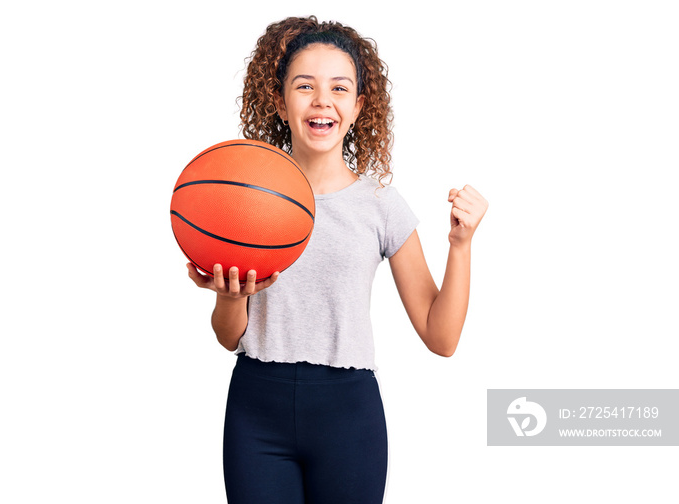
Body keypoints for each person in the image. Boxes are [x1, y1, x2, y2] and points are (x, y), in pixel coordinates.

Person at [186, 15, 488, 504]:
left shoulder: (380, 205)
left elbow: (442, 337)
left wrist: (461, 246)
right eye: (304, 86)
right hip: (256, 407)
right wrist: (228, 297)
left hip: (348, 415)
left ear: (357, 107)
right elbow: (228, 337)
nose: (321, 100)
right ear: (281, 102)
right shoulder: (244, 197)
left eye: (339, 88)